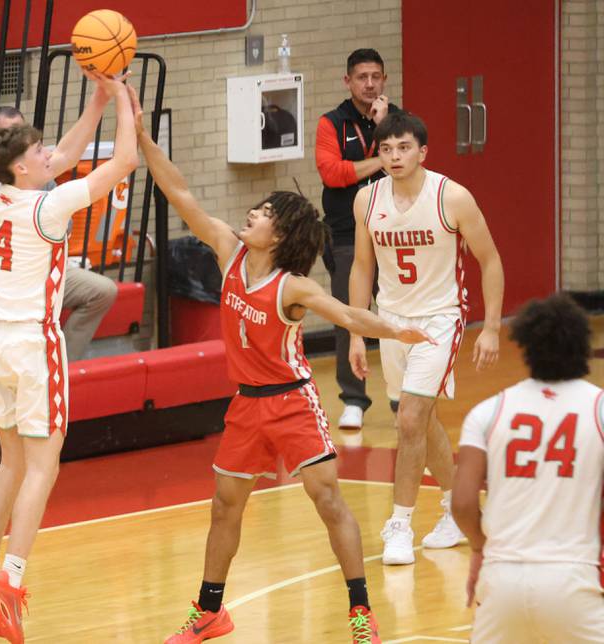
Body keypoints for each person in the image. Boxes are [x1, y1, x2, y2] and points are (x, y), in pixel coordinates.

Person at [131, 87, 435, 644]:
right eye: (257, 209)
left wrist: (395, 329)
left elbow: (348, 313)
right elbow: (180, 192)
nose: (252, 214)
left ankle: (360, 612)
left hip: (292, 402)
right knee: (224, 506)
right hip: (246, 405)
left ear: (283, 235)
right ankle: (210, 611)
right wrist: (143, 139)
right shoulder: (228, 251)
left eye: (265, 213)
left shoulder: (291, 286)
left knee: (328, 500)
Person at [0, 72, 137, 644]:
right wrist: (123, 100)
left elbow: (64, 156)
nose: (48, 155)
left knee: (11, 462)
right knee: (43, 466)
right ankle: (9, 581)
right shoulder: (48, 209)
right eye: (38, 152)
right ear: (22, 168)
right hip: (34, 343)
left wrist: (96, 100)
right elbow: (124, 162)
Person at [348, 111, 505, 565]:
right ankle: (459, 510)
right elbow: (362, 267)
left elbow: (490, 260)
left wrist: (492, 328)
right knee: (422, 418)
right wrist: (358, 332)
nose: (394, 157)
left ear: (422, 152)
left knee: (410, 418)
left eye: (403, 148)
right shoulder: (367, 200)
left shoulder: (452, 197)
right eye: (386, 149)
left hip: (439, 320)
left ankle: (400, 525)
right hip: (391, 321)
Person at [452, 293, 604, 642]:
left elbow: (462, 504)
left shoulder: (488, 411)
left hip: (501, 578)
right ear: (582, 346)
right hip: (573, 580)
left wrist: (479, 546)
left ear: (526, 347)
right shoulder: (598, 408)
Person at [0, 106, 117, 363]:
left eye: (20, 132)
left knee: (103, 290)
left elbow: (65, 156)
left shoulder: (3, 186)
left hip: (38, 270)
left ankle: (63, 361)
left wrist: (101, 98)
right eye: (7, 134)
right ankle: (49, 365)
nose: (14, 140)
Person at [316, 48, 399, 429]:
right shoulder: (331, 123)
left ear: (384, 80)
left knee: (396, 316)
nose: (369, 84)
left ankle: (401, 397)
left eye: (376, 77)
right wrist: (384, 159)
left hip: (392, 231)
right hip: (346, 233)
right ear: (347, 81)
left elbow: (411, 168)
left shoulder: (398, 121)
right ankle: (353, 399)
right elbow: (333, 174)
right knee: (349, 318)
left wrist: (385, 129)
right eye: (362, 77)